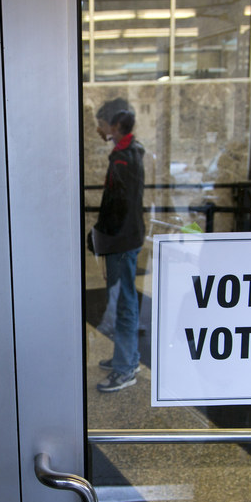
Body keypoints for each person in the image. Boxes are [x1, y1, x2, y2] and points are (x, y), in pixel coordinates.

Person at [89, 99, 145, 393]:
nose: (98, 128)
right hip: (126, 239)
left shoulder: (123, 157)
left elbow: (117, 205)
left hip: (121, 242)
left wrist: (99, 234)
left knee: (124, 304)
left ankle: (125, 370)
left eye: (101, 123)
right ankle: (128, 358)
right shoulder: (128, 152)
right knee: (126, 302)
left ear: (115, 125)